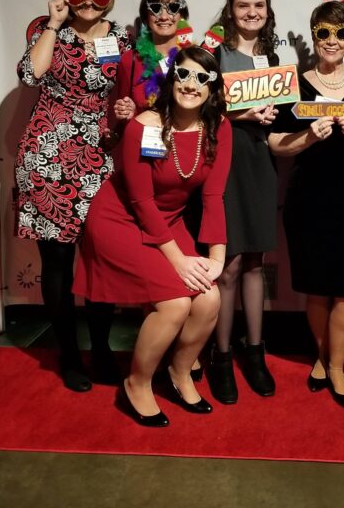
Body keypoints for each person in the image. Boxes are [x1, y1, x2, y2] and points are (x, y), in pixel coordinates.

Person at [73, 46, 231, 427]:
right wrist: (177, 259)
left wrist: (217, 259)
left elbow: (213, 197)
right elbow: (141, 201)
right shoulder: (144, 126)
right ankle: (137, 382)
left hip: (169, 220)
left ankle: (178, 372)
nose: (191, 85)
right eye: (184, 74)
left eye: (202, 78)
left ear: (213, 88)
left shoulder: (220, 128)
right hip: (120, 218)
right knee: (175, 303)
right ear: (171, 77)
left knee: (210, 298)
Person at [14, 0, 130, 392]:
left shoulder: (120, 37)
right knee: (58, 263)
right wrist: (54, 23)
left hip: (100, 157)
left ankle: (100, 348)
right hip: (47, 155)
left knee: (102, 259)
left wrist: (129, 106)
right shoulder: (49, 32)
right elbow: (30, 74)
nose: (89, 1)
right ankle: (68, 354)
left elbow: (140, 87)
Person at [269, 0, 344, 410]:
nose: (332, 40)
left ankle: (336, 366)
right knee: (316, 289)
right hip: (309, 199)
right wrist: (307, 137)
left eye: (341, 33)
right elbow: (276, 144)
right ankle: (324, 357)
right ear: (315, 35)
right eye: (324, 32)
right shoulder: (293, 85)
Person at [208, 0, 279, 404]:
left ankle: (255, 351)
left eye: (258, 5)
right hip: (226, 162)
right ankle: (219, 355)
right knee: (229, 264)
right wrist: (240, 115)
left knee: (255, 261)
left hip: (262, 163)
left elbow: (280, 116)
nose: (251, 12)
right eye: (242, 5)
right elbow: (195, 108)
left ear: (268, 12)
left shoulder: (274, 60)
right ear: (230, 11)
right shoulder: (213, 53)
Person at [110, 0, 191, 130]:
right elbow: (123, 114)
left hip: (186, 143)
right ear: (146, 16)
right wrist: (127, 112)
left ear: (182, 15)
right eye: (155, 8)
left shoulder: (193, 58)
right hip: (143, 144)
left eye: (172, 8)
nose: (164, 16)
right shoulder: (130, 60)